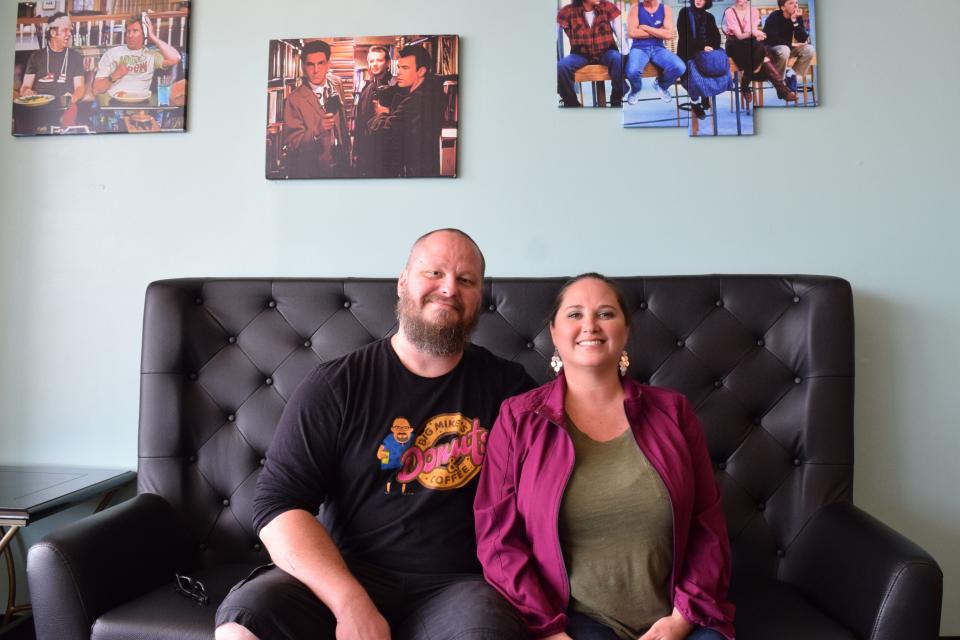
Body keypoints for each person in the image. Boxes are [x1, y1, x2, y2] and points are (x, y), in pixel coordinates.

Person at [214, 229, 536, 640]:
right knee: (244, 625)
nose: (449, 288)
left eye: (466, 280)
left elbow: (554, 491)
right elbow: (278, 506)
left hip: (461, 585)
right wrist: (350, 602)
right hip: (346, 573)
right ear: (403, 282)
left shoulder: (510, 389)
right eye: (434, 272)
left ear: (479, 297)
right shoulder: (338, 385)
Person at [475, 273, 736, 640]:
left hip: (680, 617)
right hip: (576, 621)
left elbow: (707, 524)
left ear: (626, 331)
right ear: (553, 332)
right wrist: (548, 630)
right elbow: (498, 539)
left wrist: (683, 617)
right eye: (575, 314)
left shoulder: (674, 412)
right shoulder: (517, 419)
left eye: (606, 314)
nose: (590, 326)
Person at [368, 45, 443, 177]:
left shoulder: (420, 100)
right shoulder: (420, 91)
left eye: (405, 68)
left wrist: (383, 113)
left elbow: (381, 132)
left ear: (421, 71)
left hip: (415, 174)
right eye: (399, 67)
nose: (399, 73)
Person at [282, 40, 350, 178]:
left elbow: (343, 122)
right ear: (303, 67)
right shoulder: (294, 99)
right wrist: (317, 131)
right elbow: (292, 144)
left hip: (342, 163)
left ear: (328, 64)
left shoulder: (337, 84)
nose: (316, 70)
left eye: (321, 63)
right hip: (315, 169)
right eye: (310, 65)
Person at [722, 0, 796, 104]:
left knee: (763, 51)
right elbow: (739, 36)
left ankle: (745, 82)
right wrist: (754, 32)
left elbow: (752, 34)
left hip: (750, 44)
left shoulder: (754, 11)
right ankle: (783, 89)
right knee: (763, 52)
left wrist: (757, 34)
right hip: (735, 45)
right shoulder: (729, 11)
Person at [93, 13, 181, 98]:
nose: (130, 35)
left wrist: (153, 37)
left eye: (135, 31)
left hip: (141, 104)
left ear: (144, 34)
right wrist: (115, 75)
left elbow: (175, 58)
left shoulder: (151, 54)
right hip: (115, 104)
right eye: (128, 31)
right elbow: (96, 89)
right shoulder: (111, 53)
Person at [556, 0, 624, 108]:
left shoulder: (608, 7)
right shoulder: (567, 11)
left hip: (606, 51)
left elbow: (620, 34)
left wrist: (626, 52)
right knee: (562, 66)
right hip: (580, 54)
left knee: (618, 59)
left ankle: (616, 99)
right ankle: (572, 104)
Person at [624, 0, 685, 105]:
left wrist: (646, 28)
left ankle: (661, 85)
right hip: (639, 48)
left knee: (680, 67)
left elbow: (669, 34)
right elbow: (632, 32)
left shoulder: (665, 9)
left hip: (659, 48)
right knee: (632, 71)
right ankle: (635, 90)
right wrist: (659, 31)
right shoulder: (635, 8)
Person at [19, 13, 85, 103]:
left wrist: (72, 99)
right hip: (40, 103)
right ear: (53, 33)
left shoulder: (75, 57)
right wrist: (27, 92)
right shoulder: (36, 56)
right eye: (65, 30)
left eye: (70, 30)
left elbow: (79, 87)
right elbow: (25, 86)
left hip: (65, 104)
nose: (69, 34)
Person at [353, 45, 396, 177]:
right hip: (366, 151)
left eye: (379, 60)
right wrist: (356, 151)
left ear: (388, 63)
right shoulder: (366, 88)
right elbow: (359, 123)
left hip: (386, 153)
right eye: (371, 61)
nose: (375, 64)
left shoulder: (396, 87)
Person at [676, 0, 722, 120]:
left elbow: (716, 36)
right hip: (688, 52)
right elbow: (684, 36)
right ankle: (694, 101)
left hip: (705, 54)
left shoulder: (710, 17)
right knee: (693, 72)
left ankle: (705, 92)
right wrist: (702, 47)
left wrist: (711, 46)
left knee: (716, 63)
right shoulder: (684, 12)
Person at [761, 0, 815, 94]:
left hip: (787, 49)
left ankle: (790, 74)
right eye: (791, 3)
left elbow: (802, 38)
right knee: (784, 49)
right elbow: (772, 39)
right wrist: (792, 44)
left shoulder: (797, 17)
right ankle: (780, 83)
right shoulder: (774, 16)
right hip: (771, 50)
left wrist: (794, 21)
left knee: (809, 49)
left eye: (796, 2)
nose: (795, 5)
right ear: (782, 7)